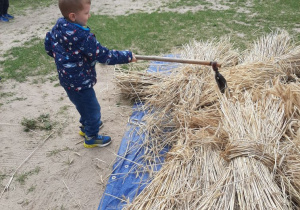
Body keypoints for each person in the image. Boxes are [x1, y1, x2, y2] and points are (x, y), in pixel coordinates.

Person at [44, 0, 136, 148]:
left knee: (82, 104)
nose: (89, 15)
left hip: (67, 80)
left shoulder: (59, 26)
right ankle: (91, 137)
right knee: (92, 109)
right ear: (73, 16)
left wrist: (61, 60)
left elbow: (48, 45)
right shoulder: (82, 36)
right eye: (86, 13)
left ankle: (86, 125)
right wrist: (127, 56)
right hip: (80, 81)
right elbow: (104, 55)